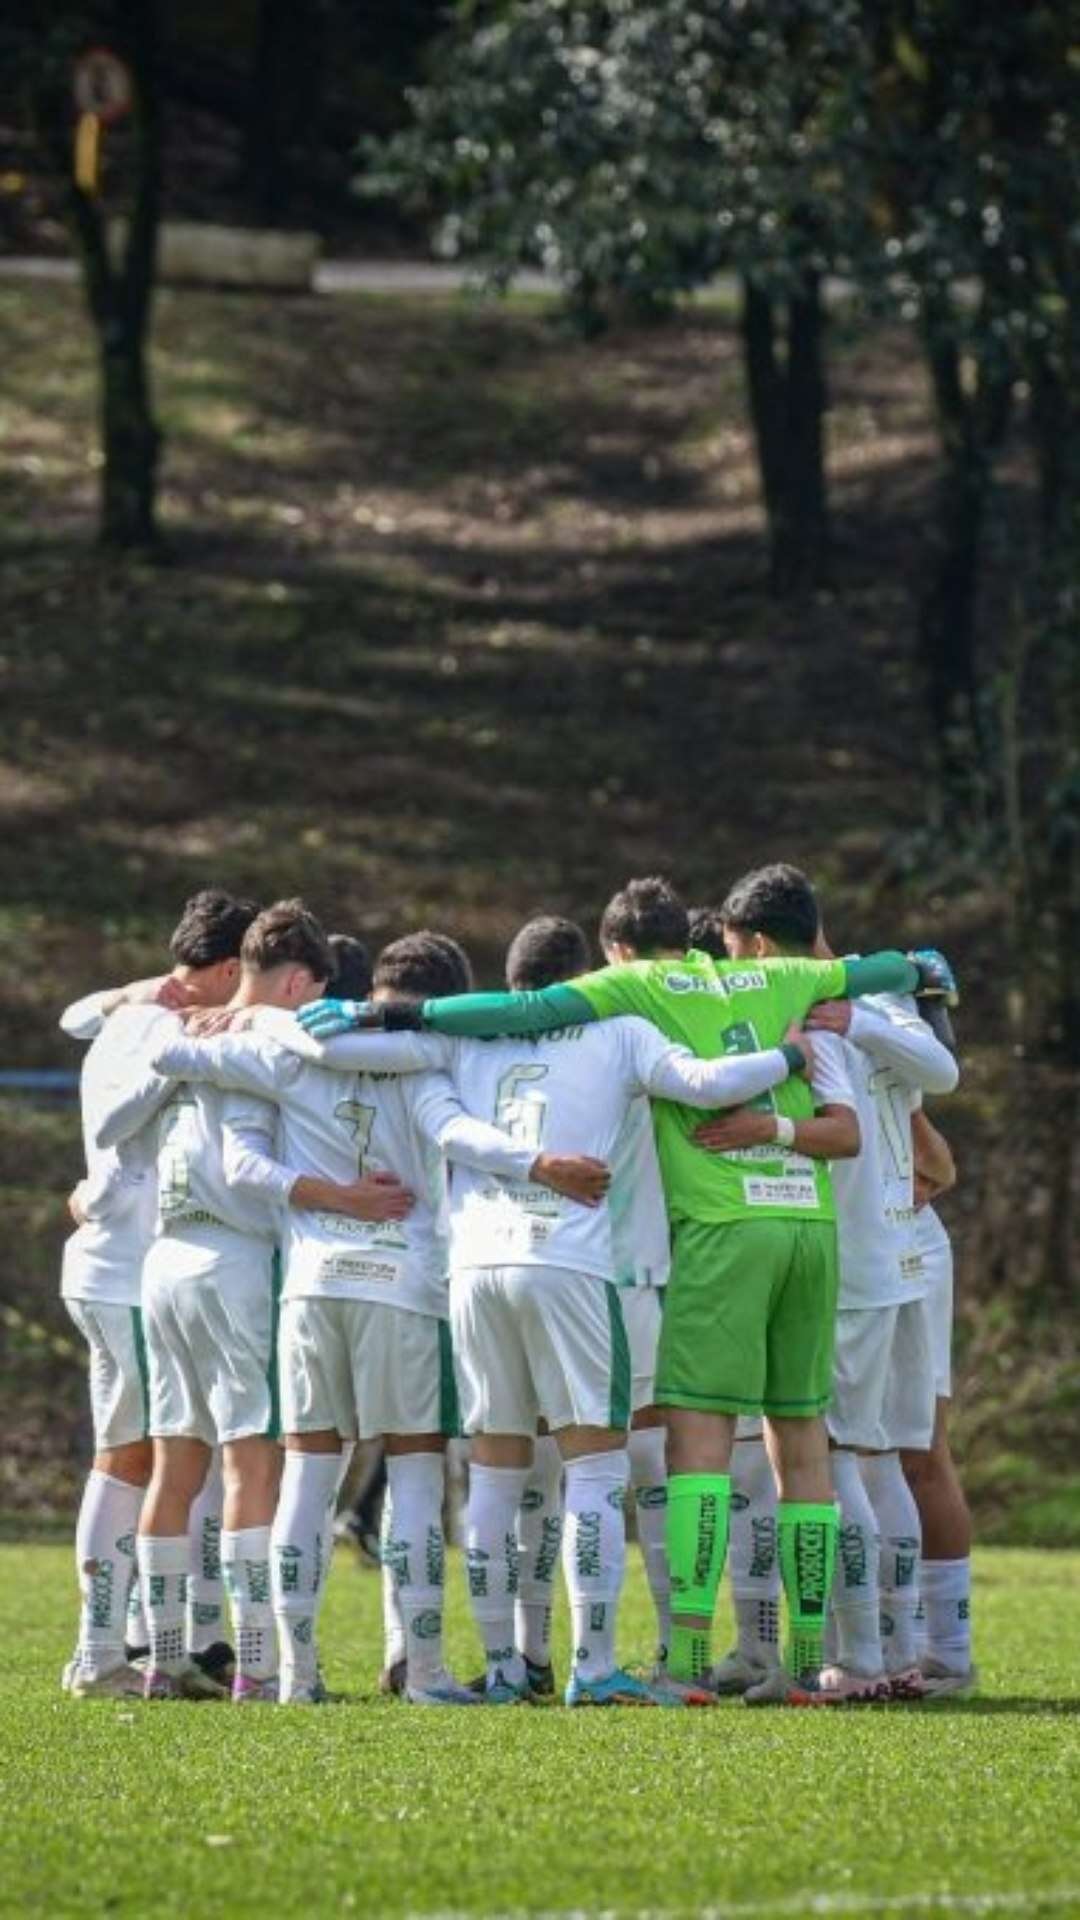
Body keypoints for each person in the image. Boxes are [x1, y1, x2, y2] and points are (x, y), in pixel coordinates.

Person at [142, 927, 612, 1706]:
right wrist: (538, 1165)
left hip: (312, 1288)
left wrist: (242, 1015)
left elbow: (166, 1055)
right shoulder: (434, 1057)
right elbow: (460, 1134)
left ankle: (292, 1674)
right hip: (402, 1286)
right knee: (417, 1474)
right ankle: (421, 1670)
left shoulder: (290, 1051)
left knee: (308, 1474)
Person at [93, 899, 384, 1702]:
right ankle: (257, 1662)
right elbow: (248, 1165)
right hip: (231, 1258)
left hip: (164, 1260)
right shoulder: (258, 1040)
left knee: (176, 1462)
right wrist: (338, 1195)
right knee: (250, 1460)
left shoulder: (187, 1034)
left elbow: (123, 1104)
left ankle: (163, 1657)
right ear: (297, 981)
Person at [699, 871, 960, 1700]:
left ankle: (863, 1660)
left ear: (763, 945)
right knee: (881, 1456)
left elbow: (937, 1074)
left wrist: (846, 1024)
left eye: (737, 951)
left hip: (855, 1260)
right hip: (899, 1253)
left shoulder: (833, 1007)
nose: (735, 966)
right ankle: (908, 1650)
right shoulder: (872, 994)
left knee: (843, 1454)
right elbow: (932, 1084)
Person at [57, 889, 257, 1698]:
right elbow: (114, 1132)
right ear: (232, 967)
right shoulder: (161, 1029)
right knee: (131, 1458)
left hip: (118, 1268)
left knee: (153, 1456)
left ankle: (147, 1645)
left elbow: (83, 1022)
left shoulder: (129, 1018)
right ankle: (99, 1652)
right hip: (128, 1273)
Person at [902, 1113, 976, 1696]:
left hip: (906, 1250)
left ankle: (949, 1653)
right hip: (820, 1243)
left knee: (920, 1448)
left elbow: (940, 1167)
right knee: (831, 1448)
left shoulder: (884, 1031)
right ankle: (884, 1645)